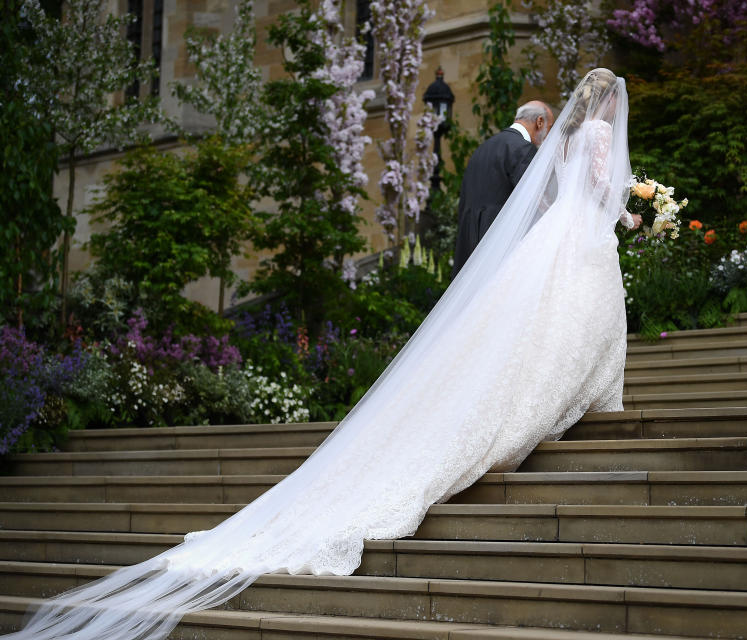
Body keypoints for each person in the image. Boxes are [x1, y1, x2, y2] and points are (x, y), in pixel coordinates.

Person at [6, 69, 639, 640]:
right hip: (577, 241)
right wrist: (637, 216)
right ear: (605, 104)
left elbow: (546, 197)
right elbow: (597, 192)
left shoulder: (548, 140)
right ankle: (585, 389)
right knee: (577, 311)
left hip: (540, 243)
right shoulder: (596, 137)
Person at [452, 100, 554, 276]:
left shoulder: (483, 148)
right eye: (549, 128)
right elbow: (534, 199)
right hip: (498, 244)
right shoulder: (523, 149)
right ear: (539, 122)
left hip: (468, 243)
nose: (548, 135)